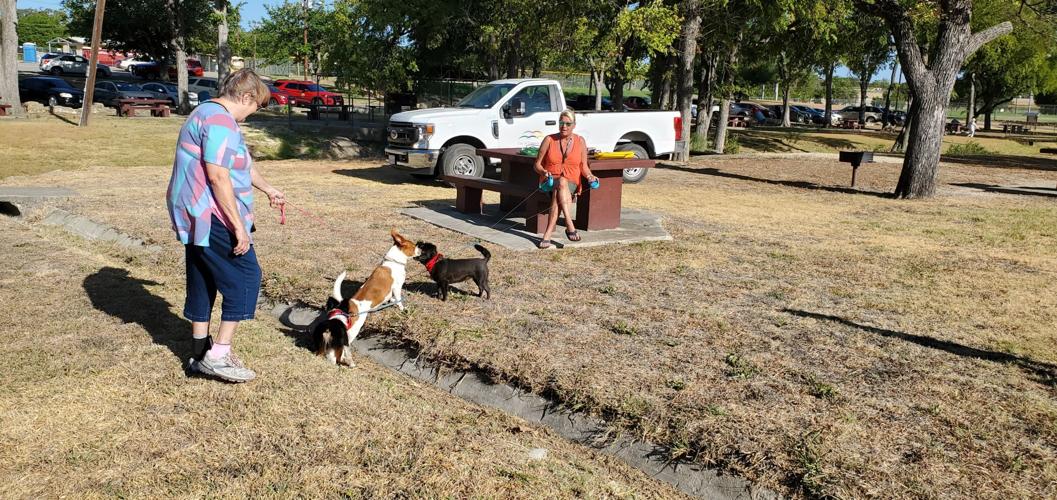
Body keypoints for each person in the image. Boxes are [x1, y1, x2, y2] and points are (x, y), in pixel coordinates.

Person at [166, 69, 285, 383]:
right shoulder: (221, 121)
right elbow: (218, 176)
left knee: (204, 276)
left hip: (193, 214)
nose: (252, 113)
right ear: (245, 96)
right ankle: (218, 355)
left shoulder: (206, 112)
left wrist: (269, 189)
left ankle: (199, 352)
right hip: (211, 215)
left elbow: (239, 163)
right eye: (255, 106)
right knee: (246, 275)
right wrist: (238, 227)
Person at [533, 108, 598, 249]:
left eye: (568, 124)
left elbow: (584, 166)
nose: (564, 126)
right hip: (549, 181)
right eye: (561, 123)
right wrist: (544, 172)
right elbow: (536, 164)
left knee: (560, 187)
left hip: (571, 182)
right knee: (560, 183)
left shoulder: (580, 141)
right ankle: (569, 225)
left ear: (574, 125)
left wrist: (590, 176)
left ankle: (547, 234)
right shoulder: (549, 139)